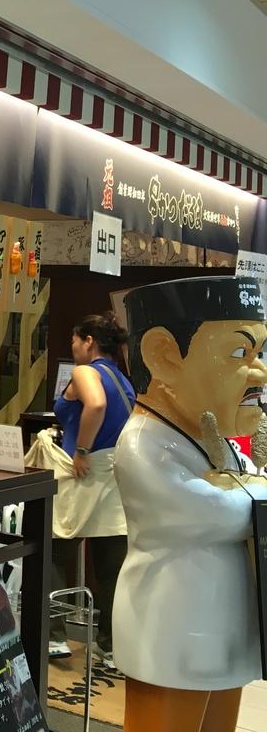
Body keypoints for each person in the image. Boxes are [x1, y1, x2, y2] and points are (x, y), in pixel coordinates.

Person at [114, 277, 267, 732]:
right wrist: (245, 488)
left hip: (228, 626)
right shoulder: (142, 443)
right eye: (240, 353)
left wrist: (239, 485)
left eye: (261, 354)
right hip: (172, 627)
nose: (259, 373)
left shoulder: (213, 437)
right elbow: (218, 512)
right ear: (164, 356)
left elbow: (246, 491)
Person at [47, 312, 134, 664]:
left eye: (74, 340)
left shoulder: (86, 372)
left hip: (81, 472)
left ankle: (53, 637)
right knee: (112, 565)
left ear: (89, 341)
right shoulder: (124, 379)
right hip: (115, 474)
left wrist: (82, 450)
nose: (72, 347)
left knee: (55, 550)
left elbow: (95, 404)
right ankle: (110, 645)